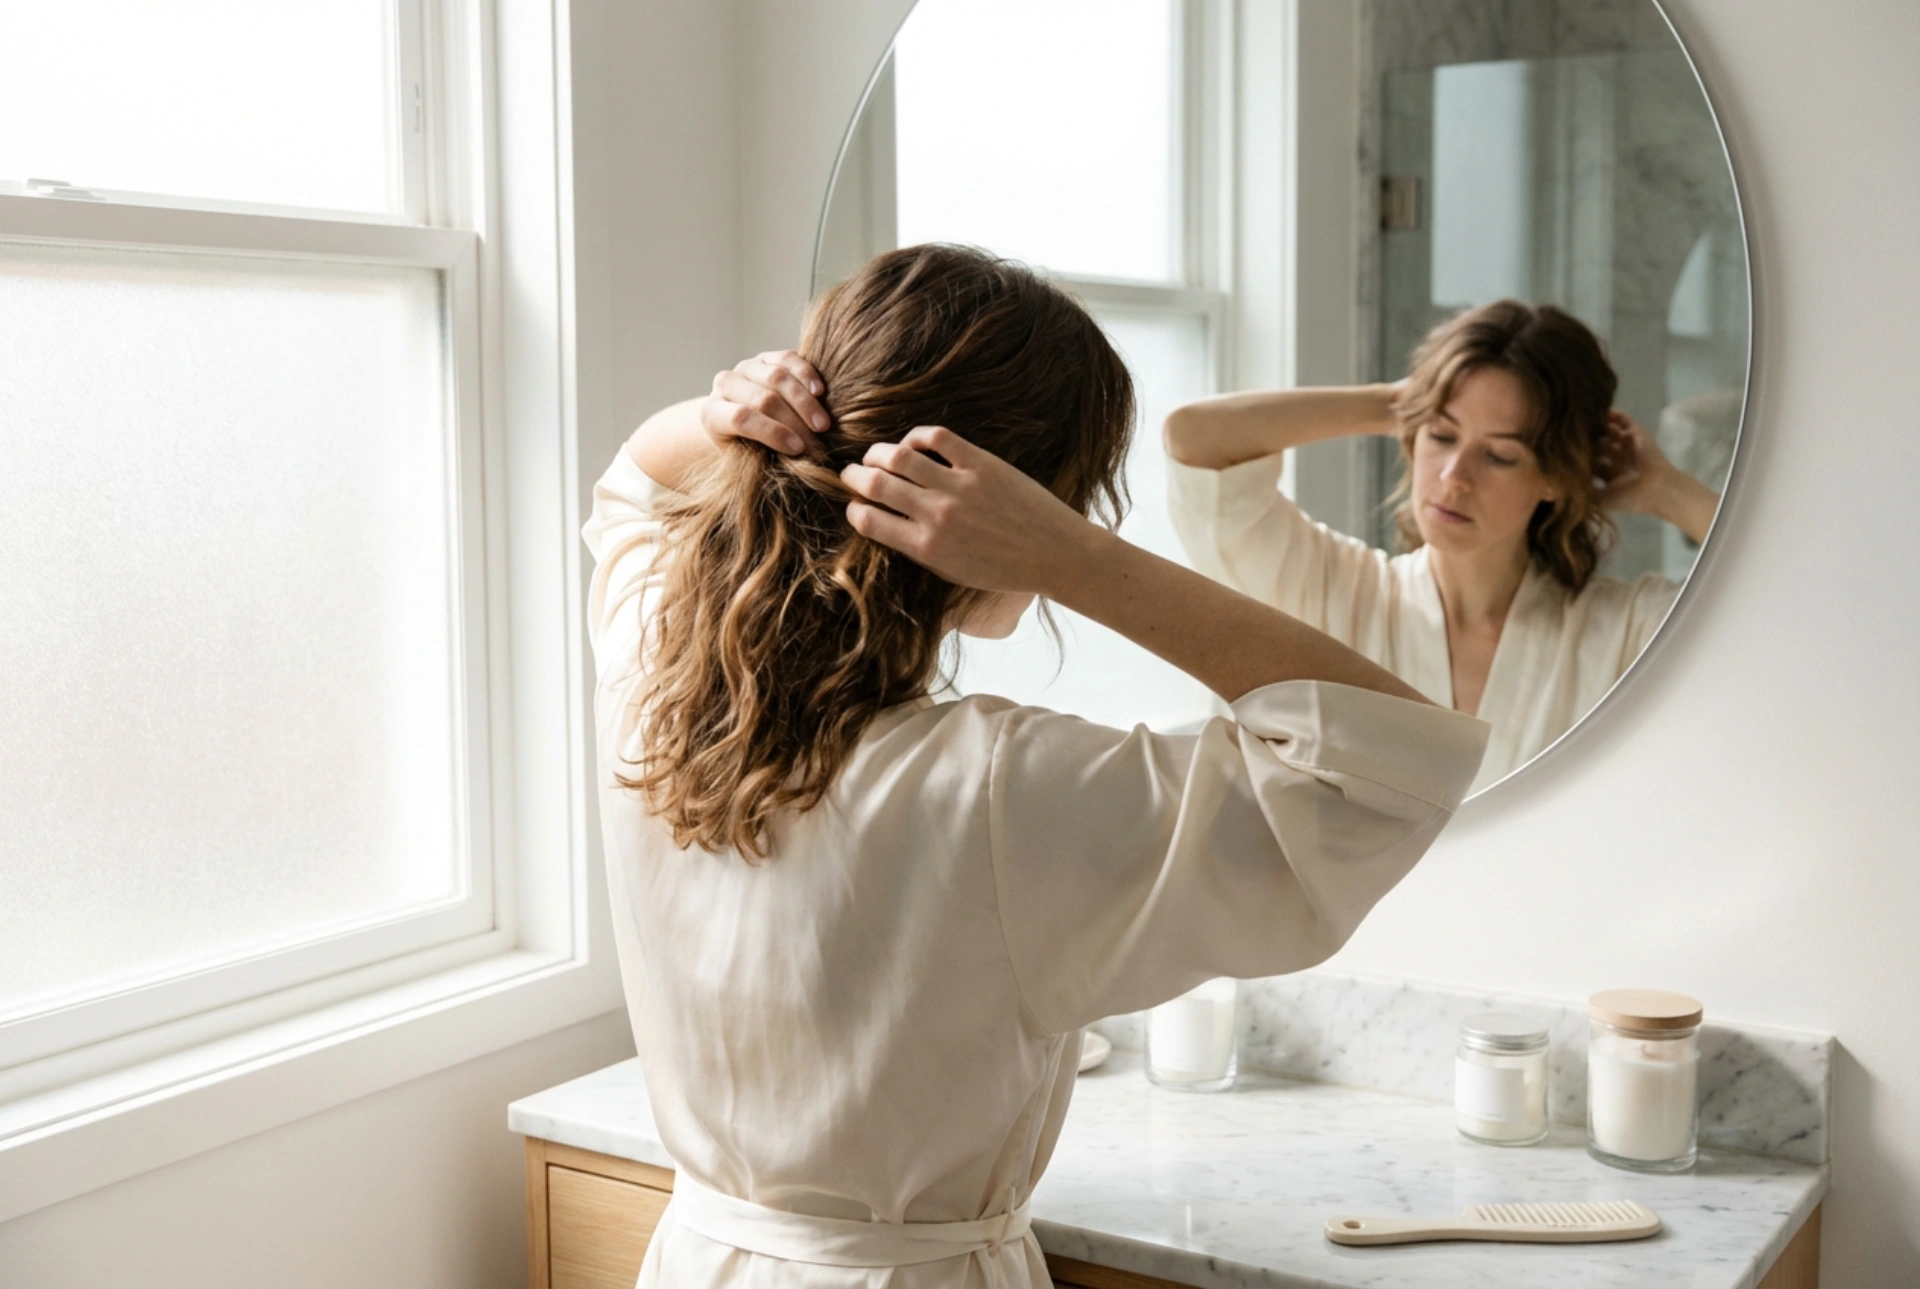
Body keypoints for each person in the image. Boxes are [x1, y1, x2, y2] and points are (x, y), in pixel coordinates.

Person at [586, 244, 1488, 1288]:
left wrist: (723, 414)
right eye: (1078, 495)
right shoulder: (990, 790)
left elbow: (634, 483)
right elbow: (1388, 762)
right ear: (1016, 500)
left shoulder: (655, 672)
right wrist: (1072, 557)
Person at [1164, 300, 1722, 792]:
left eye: (1499, 455)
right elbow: (1196, 439)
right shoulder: (1333, 587)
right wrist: (1399, 405)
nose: (1455, 477)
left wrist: (1667, 490)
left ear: (1555, 475)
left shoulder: (1625, 631)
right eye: (1442, 436)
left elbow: (1792, 609)